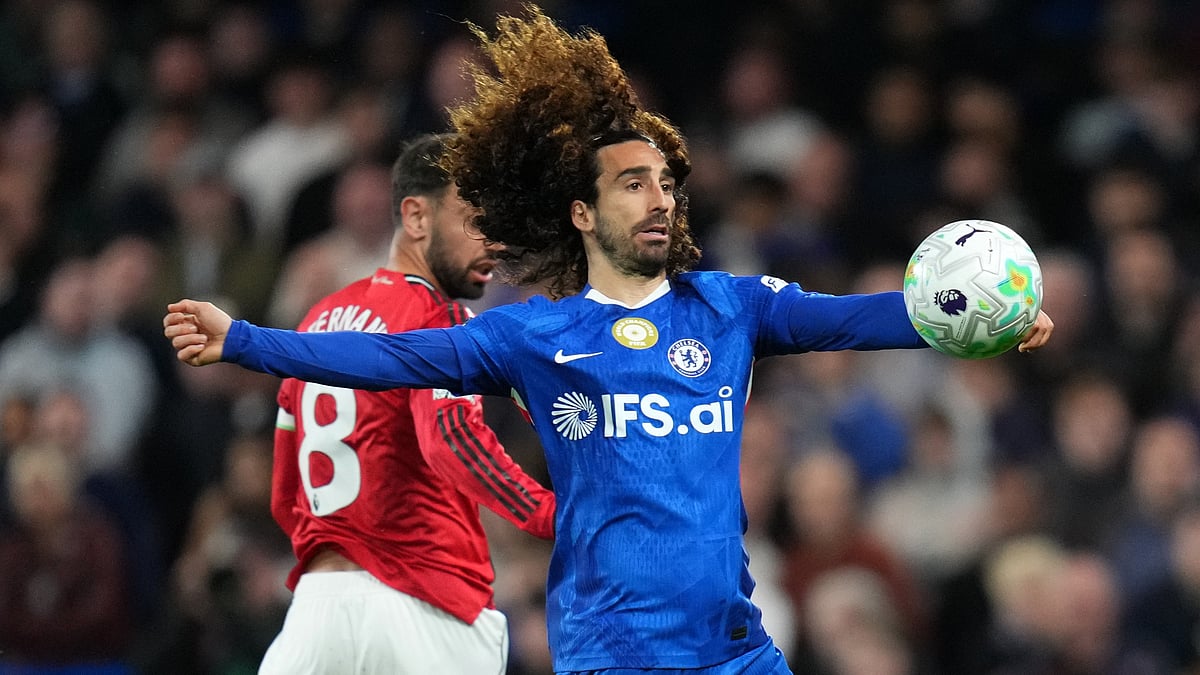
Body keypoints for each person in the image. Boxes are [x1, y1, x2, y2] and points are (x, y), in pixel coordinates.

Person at [164, 7, 1054, 673]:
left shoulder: (731, 307)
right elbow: (388, 361)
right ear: (584, 213)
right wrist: (244, 339)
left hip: (733, 642)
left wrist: (977, 320)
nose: (659, 198)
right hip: (613, 648)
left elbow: (859, 318)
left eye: (666, 181)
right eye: (633, 183)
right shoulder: (536, 335)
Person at [240, 132, 557, 673]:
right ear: (415, 217)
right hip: (424, 607)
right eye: (475, 220)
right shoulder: (437, 319)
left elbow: (284, 490)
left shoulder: (318, 322)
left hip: (316, 615)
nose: (494, 243)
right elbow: (452, 442)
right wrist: (560, 515)